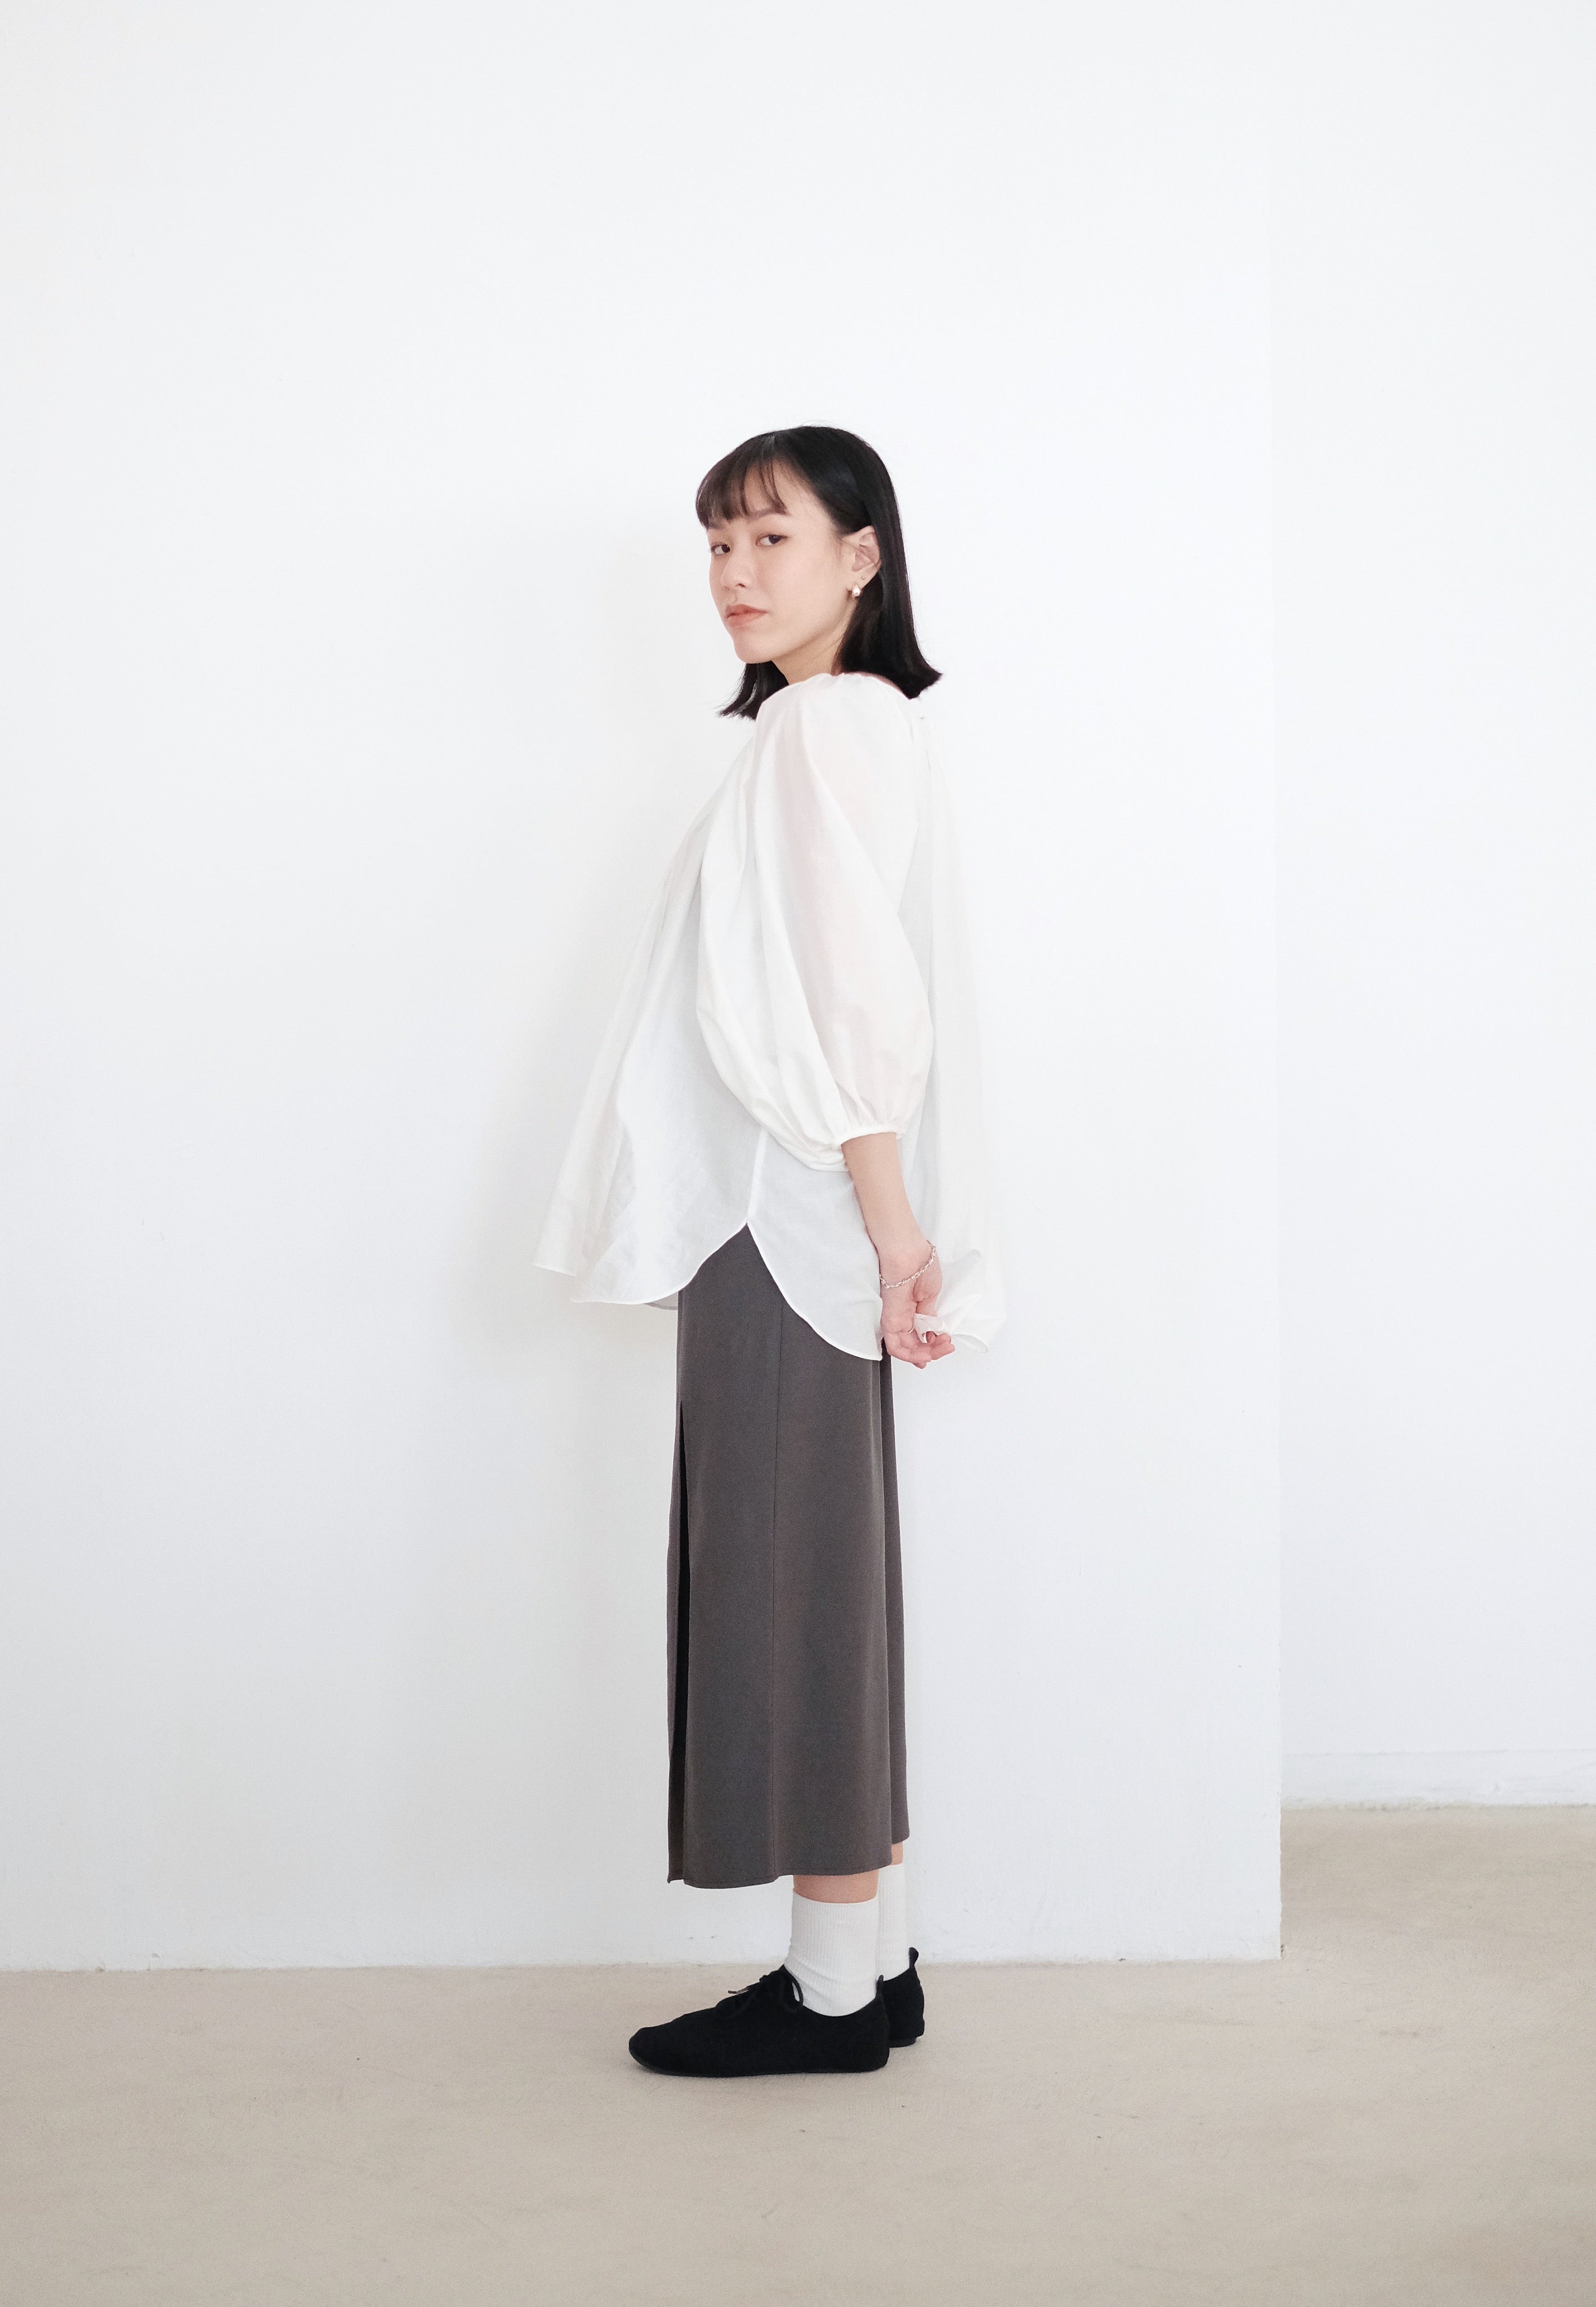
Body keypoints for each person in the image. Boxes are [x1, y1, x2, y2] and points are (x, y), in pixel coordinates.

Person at [537, 424, 1003, 2076]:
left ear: (862, 557)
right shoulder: (847, 725)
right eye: (717, 546)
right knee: (826, 1579)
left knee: (789, 1584)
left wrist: (890, 1231)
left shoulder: (822, 726)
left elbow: (847, 999)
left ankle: (830, 1999)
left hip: (787, 1221)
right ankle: (872, 1963)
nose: (734, 575)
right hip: (803, 1217)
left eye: (771, 539)